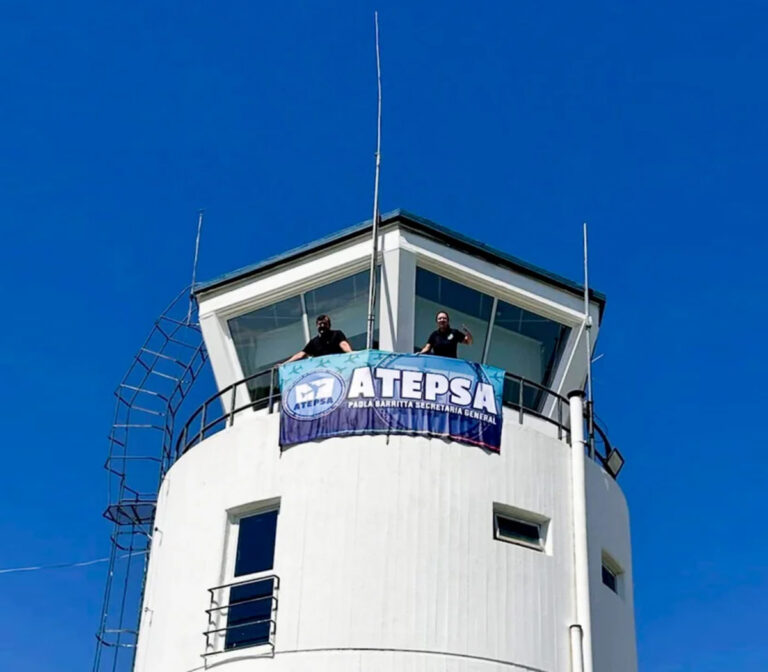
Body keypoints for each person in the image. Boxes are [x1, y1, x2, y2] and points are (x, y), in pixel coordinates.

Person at [284, 314, 352, 363]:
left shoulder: (337, 334)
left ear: (329, 325)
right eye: (320, 324)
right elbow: (302, 354)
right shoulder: (314, 342)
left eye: (325, 324)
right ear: (317, 326)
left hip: (339, 363)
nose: (322, 326)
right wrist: (285, 363)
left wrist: (351, 353)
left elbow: (343, 344)